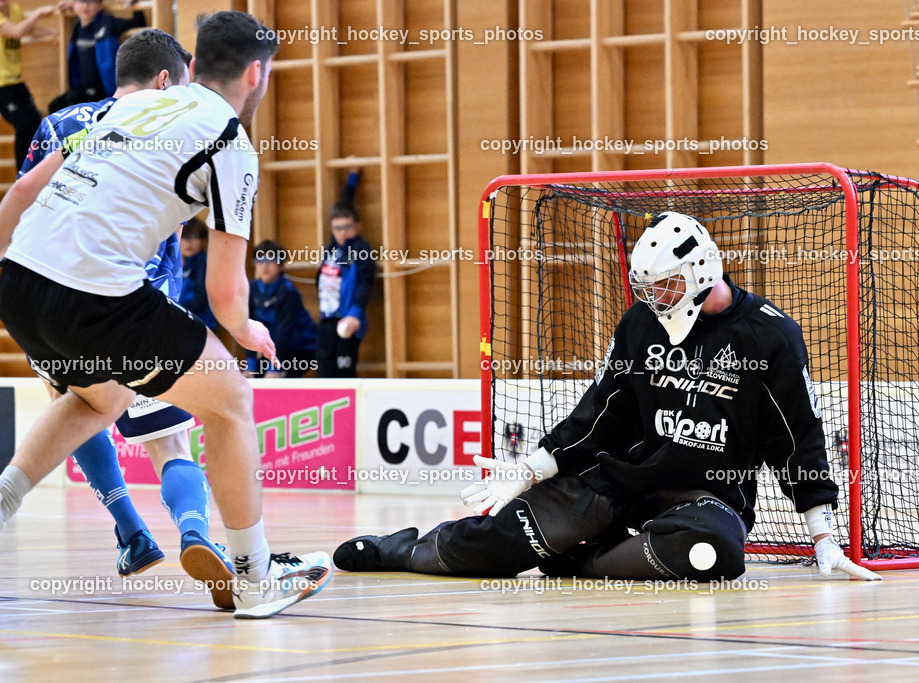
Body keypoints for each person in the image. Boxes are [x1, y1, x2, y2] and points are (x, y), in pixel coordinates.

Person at [333, 212, 881, 584]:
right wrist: (534, 466)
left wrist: (822, 534)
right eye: (646, 289)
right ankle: (404, 549)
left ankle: (583, 561)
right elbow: (603, 411)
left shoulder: (771, 336)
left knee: (714, 554)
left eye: (663, 285)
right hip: (619, 481)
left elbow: (797, 436)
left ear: (700, 269)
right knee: (501, 542)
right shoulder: (641, 324)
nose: (653, 298)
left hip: (709, 497)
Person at [0, 10, 332, 619]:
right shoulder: (230, 141)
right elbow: (226, 293)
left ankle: (2, 497)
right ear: (256, 74)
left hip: (19, 283)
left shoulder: (117, 108)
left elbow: (21, 195)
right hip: (97, 296)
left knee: (100, 399)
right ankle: (257, 577)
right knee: (230, 402)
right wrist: (245, 330)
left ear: (194, 67)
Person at [5, 29, 239, 610]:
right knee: (173, 440)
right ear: (166, 80)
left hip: (41, 289)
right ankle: (195, 532)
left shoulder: (61, 124)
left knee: (81, 406)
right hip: (136, 304)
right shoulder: (176, 124)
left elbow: (27, 200)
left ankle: (131, 532)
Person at [0, 0, 69, 166]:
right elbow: (16, 32)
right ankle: (23, 174)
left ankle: (32, 168)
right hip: (1, 85)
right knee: (24, 124)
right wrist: (38, 13)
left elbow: (29, 29)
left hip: (17, 81)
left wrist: (53, 33)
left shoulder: (14, 9)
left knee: (35, 122)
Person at [48, 0, 146, 113]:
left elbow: (139, 23)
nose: (85, 6)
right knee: (55, 106)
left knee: (71, 103)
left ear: (100, 6)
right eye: (81, 1)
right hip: (82, 88)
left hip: (102, 91)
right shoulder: (76, 26)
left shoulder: (109, 24)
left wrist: (132, 2)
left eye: (91, 2)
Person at [316, 202, 375, 378]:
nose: (342, 232)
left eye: (347, 227)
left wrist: (354, 314)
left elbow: (365, 283)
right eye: (337, 228)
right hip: (327, 320)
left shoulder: (360, 250)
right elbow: (344, 199)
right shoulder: (332, 249)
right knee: (324, 372)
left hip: (347, 320)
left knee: (344, 372)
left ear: (358, 226)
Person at [247, 239, 316, 378]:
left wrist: (274, 369)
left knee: (275, 381)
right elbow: (248, 329)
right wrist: (250, 367)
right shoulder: (251, 289)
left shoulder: (288, 293)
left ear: (282, 266)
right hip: (275, 347)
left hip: (300, 348)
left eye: (271, 260)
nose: (265, 266)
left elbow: (284, 332)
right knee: (255, 377)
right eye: (260, 260)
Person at [179, 218, 217, 330]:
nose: (189, 243)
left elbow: (202, 297)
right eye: (185, 237)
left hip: (201, 322)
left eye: (195, 237)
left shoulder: (203, 262)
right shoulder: (176, 262)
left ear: (203, 241)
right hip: (182, 319)